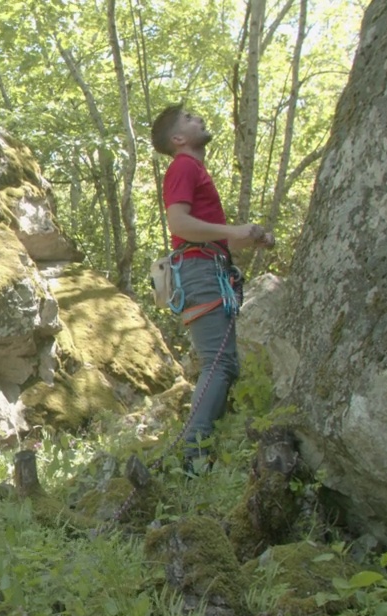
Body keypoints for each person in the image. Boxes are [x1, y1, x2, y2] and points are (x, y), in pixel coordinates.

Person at [150, 103, 274, 474]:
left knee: (225, 364)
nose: (199, 119)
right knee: (218, 363)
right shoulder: (184, 166)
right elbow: (180, 223)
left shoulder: (193, 169)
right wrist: (232, 231)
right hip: (200, 271)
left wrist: (248, 238)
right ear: (178, 139)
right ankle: (194, 457)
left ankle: (200, 451)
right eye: (189, 119)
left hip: (206, 268)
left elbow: (204, 233)